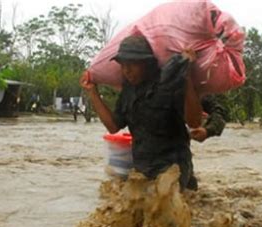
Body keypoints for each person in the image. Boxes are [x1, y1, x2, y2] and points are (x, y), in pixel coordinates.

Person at [80, 35, 204, 190]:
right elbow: (113, 126)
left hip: (174, 169)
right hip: (143, 170)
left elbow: (194, 121)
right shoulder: (128, 91)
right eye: (123, 65)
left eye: (132, 64)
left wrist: (186, 76)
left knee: (164, 206)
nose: (127, 71)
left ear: (146, 63)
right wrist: (93, 92)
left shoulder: (169, 82)